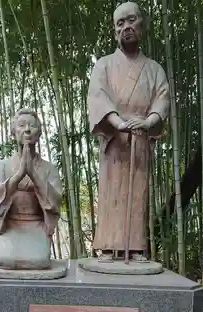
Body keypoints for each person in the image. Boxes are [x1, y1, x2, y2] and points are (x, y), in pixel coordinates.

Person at [88, 1, 170, 262]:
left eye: (131, 21)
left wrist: (147, 122)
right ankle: (109, 247)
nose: (126, 28)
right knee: (112, 192)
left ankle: (135, 248)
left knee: (137, 194)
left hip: (141, 138)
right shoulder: (104, 65)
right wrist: (117, 121)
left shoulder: (155, 69)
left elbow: (162, 99)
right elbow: (98, 96)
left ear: (141, 25)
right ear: (114, 32)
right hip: (115, 139)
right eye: (120, 24)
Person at [0, 108, 62, 270]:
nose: (27, 130)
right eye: (22, 125)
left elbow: (55, 201)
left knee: (39, 261)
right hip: (11, 226)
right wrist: (19, 174)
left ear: (39, 133)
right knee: (5, 260)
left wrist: (34, 174)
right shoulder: (2, 167)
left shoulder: (49, 168)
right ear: (13, 132)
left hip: (37, 226)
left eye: (32, 126)